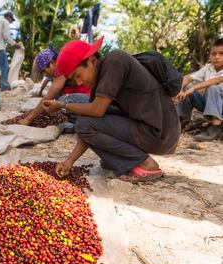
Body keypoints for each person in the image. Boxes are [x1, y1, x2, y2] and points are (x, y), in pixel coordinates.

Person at [42, 38, 180, 183]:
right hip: (152, 129)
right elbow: (90, 121)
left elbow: (96, 111)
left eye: (78, 75)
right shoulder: (100, 77)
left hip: (160, 134)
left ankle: (146, 164)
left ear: (91, 61)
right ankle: (120, 160)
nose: (79, 83)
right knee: (84, 122)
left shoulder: (115, 61)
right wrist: (69, 161)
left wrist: (62, 105)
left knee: (81, 119)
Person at [17, 46, 92, 126]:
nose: (44, 74)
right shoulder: (55, 75)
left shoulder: (60, 69)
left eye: (44, 70)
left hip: (89, 100)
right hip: (82, 103)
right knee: (55, 105)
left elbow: (48, 97)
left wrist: (28, 119)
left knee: (62, 101)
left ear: (52, 62)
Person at [176, 38, 223, 141]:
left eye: (221, 53)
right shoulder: (208, 68)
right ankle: (182, 122)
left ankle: (216, 127)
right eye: (213, 54)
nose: (217, 57)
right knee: (186, 87)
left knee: (213, 88)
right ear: (209, 55)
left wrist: (194, 87)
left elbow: (217, 80)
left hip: (221, 108)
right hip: (210, 106)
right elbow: (187, 78)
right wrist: (180, 89)